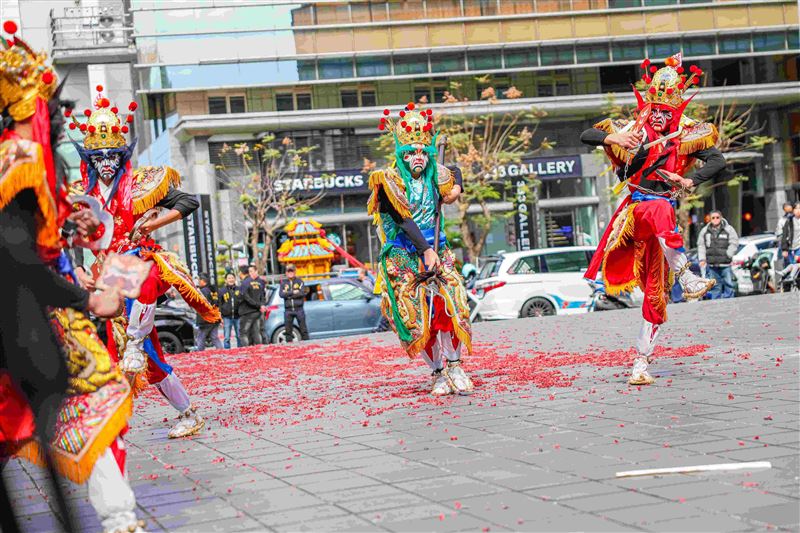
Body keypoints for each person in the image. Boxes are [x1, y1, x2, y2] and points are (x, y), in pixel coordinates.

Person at [0, 21, 145, 532]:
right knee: (96, 398)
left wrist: (74, 226)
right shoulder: (18, 161)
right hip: (35, 319)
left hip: (76, 292)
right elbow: (17, 254)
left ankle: (118, 517)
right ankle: (119, 519)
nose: (59, 118)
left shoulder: (40, 168)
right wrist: (86, 298)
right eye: (50, 108)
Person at [69, 84, 217, 439]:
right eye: (99, 157)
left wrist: (150, 221)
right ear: (89, 159)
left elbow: (188, 203)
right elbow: (62, 234)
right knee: (143, 357)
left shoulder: (140, 183)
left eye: (112, 156)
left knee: (139, 275)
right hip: (107, 283)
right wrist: (76, 268)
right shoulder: (81, 193)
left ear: (121, 155)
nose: (106, 164)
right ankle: (184, 411)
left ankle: (134, 344)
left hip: (139, 266)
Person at [581, 53, 724, 385]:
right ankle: (687, 276)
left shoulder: (685, 135)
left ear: (674, 112)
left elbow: (716, 160)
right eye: (654, 110)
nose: (659, 117)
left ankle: (640, 363)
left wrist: (690, 181)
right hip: (636, 213)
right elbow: (587, 135)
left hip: (663, 227)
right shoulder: (632, 130)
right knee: (658, 209)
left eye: (666, 112)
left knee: (656, 294)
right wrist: (614, 139)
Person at [367, 101, 474, 396]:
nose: (417, 157)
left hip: (438, 251)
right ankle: (438, 372)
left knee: (452, 305)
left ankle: (456, 365)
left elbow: (454, 171)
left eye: (422, 152)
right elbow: (403, 220)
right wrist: (425, 249)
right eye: (410, 152)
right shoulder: (388, 179)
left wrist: (456, 190)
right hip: (404, 255)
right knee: (416, 318)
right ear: (400, 154)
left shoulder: (435, 175)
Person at [697, 210, 739, 299]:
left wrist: (728, 254)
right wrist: (702, 259)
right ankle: (715, 303)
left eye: (717, 217)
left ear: (721, 218)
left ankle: (730, 301)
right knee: (715, 286)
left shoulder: (729, 229)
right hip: (712, 265)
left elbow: (734, 242)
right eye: (713, 218)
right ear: (710, 219)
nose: (715, 219)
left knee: (729, 284)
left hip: (725, 264)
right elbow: (701, 245)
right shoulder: (705, 231)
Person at [279, 264, 310, 342]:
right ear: (286, 273)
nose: (290, 273)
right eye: (288, 271)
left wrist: (288, 295)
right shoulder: (283, 283)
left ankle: (307, 344)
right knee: (288, 331)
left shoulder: (300, 282)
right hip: (288, 310)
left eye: (291, 271)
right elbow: (281, 294)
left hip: (299, 309)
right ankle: (290, 347)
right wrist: (293, 292)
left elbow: (302, 293)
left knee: (303, 329)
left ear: (295, 272)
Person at [239, 264, 266, 346]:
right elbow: (263, 296)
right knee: (256, 331)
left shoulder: (245, 282)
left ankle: (247, 349)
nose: (250, 273)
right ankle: (259, 348)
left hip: (248, 311)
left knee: (244, 332)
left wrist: (259, 305)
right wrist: (261, 305)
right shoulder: (260, 282)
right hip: (257, 310)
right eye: (249, 271)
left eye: (252, 271)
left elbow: (246, 297)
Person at [195, 273, 223, 350]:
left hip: (206, 319)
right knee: (214, 337)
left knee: (201, 337)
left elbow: (203, 304)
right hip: (215, 317)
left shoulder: (203, 291)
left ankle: (200, 354)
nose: (198, 282)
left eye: (199, 280)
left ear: (203, 281)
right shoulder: (214, 290)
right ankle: (221, 351)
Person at [218, 272, 242, 349]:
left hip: (238, 316)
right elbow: (219, 304)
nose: (231, 279)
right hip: (226, 317)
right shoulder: (222, 291)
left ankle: (240, 351)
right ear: (225, 280)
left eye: (232, 278)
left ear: (235, 279)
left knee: (239, 335)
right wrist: (220, 316)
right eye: (229, 278)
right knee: (227, 337)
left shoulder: (239, 289)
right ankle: (227, 352)